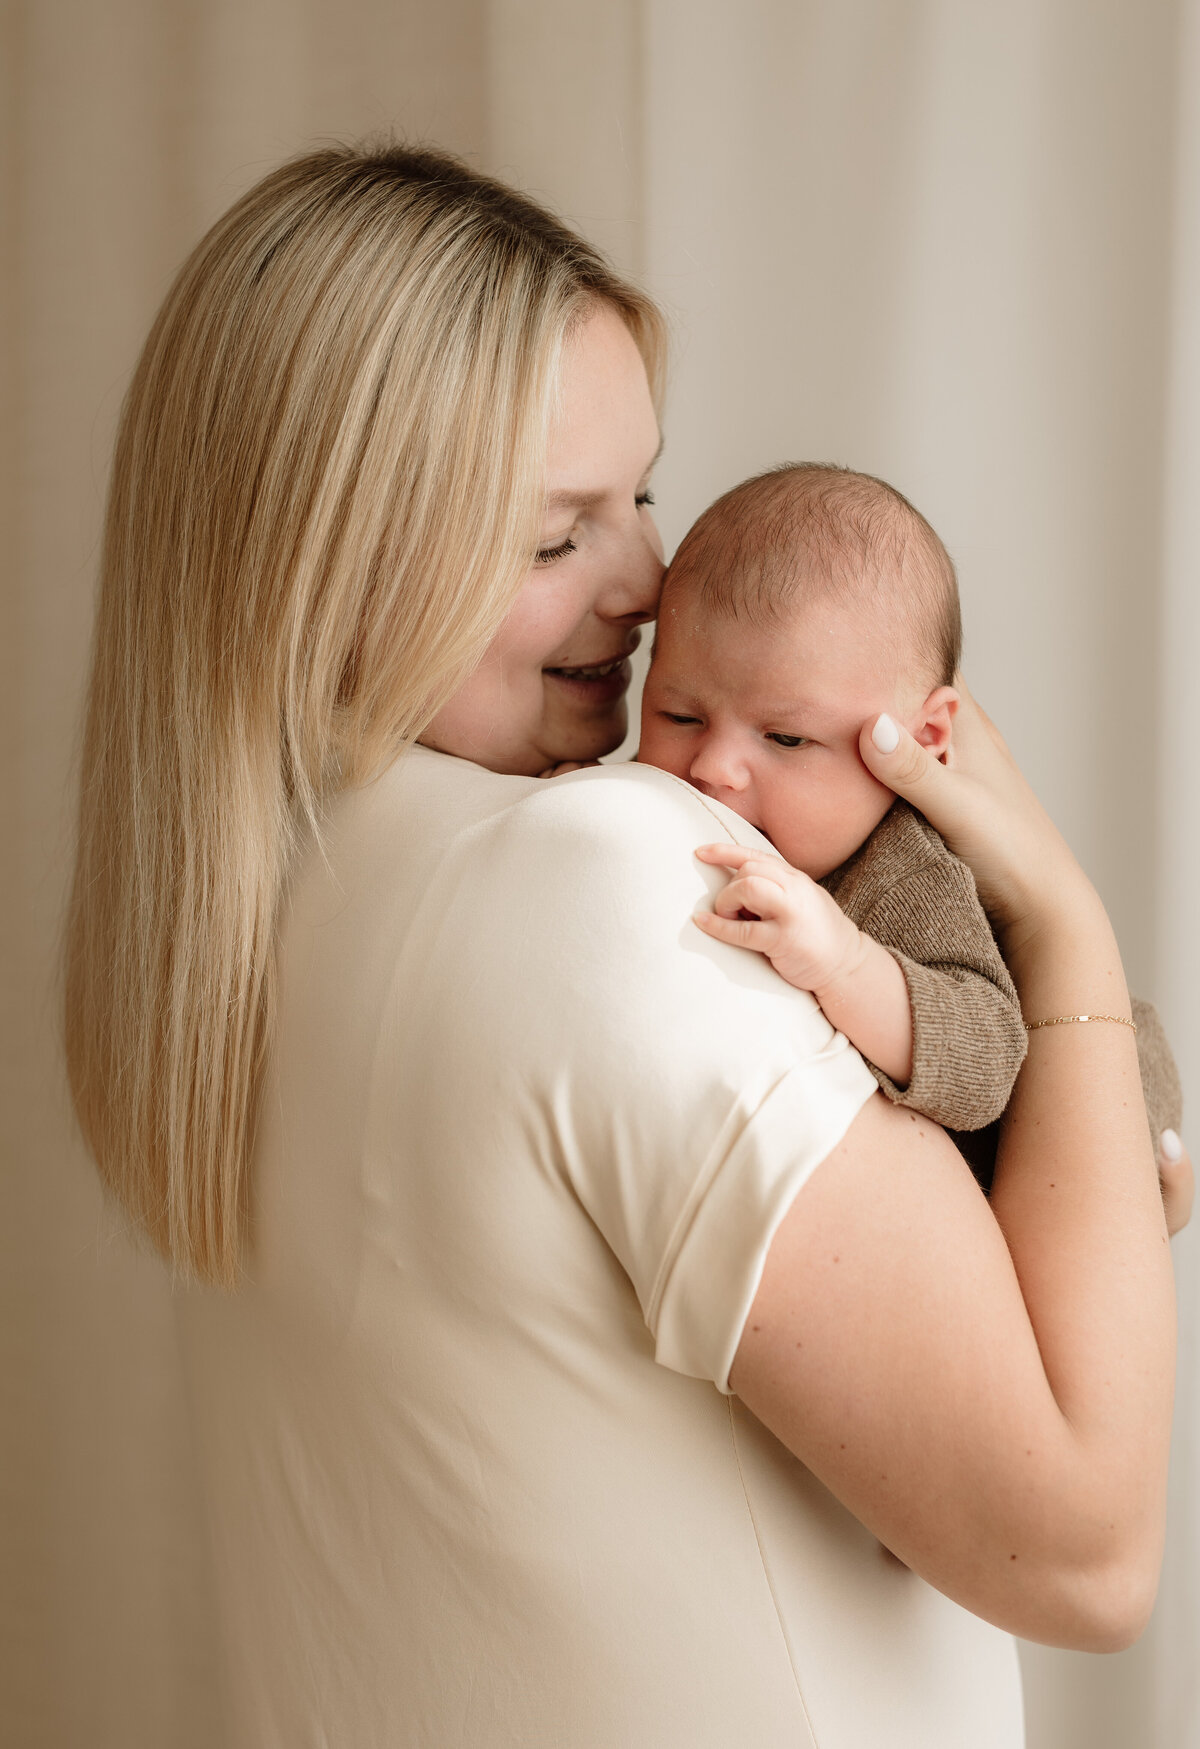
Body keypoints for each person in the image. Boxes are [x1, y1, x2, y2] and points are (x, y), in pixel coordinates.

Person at [63, 141, 1191, 1749]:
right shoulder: (610, 882)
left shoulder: (248, 921)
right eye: (554, 540)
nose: (656, 583)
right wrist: (1064, 928)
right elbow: (1085, 1548)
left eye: (641, 496)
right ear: (321, 574)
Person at [637, 461, 1183, 1186]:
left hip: (1051, 1148)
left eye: (787, 738)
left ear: (923, 738)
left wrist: (847, 964)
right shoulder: (667, 808)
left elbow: (987, 1063)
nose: (714, 767)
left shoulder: (900, 872)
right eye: (679, 715)